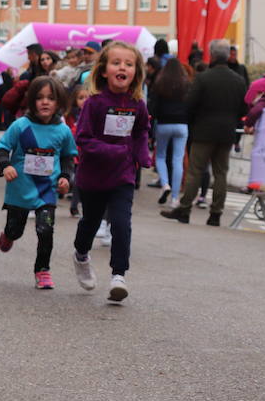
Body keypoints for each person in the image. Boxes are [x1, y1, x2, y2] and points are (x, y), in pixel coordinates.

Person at [71, 41, 151, 303]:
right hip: (93, 177)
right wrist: (111, 150)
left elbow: (140, 131)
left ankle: (119, 275)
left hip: (122, 176)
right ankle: (81, 256)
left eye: (129, 64)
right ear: (104, 70)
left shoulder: (137, 103)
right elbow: (83, 139)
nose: (122, 67)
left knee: (121, 223)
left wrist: (141, 155)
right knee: (90, 223)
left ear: (136, 72)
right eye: (116, 63)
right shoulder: (94, 103)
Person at [0, 76, 77, 289]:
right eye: (39, 98)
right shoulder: (20, 126)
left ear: (59, 102)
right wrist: (6, 166)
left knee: (45, 230)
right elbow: (2, 148)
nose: (45, 102)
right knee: (16, 230)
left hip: (46, 191)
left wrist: (66, 178)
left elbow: (69, 157)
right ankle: (8, 235)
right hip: (19, 189)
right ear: (31, 101)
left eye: (51, 98)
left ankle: (43, 270)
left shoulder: (63, 130)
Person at [161, 39, 247, 226]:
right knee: (221, 173)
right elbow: (243, 109)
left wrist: (193, 123)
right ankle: (215, 213)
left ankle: (184, 210)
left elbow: (190, 105)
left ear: (213, 55)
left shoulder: (203, 78)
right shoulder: (239, 81)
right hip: (226, 132)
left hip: (203, 131)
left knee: (195, 171)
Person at [147, 57, 190, 207]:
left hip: (164, 124)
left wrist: (151, 129)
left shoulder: (160, 83)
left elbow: (153, 107)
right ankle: (175, 198)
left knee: (160, 156)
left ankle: (165, 183)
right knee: (177, 160)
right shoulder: (186, 84)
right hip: (182, 125)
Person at [65, 84, 89, 217]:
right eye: (81, 98)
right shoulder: (70, 116)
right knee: (74, 179)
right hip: (72, 152)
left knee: (81, 181)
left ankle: (75, 206)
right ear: (75, 100)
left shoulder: (92, 114)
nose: (84, 100)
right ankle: (74, 204)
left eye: (87, 97)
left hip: (86, 153)